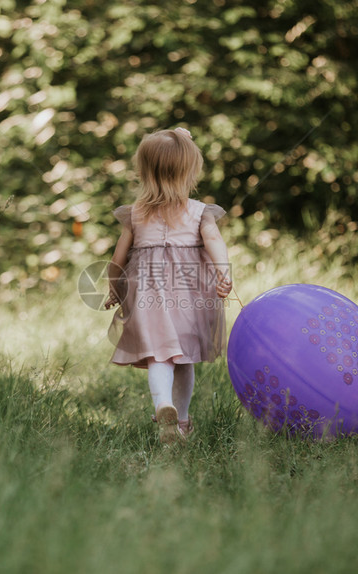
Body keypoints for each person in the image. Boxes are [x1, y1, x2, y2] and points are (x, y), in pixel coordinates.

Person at [104, 127, 232, 445]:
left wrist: (114, 289)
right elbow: (214, 241)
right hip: (190, 295)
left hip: (146, 296)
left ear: (145, 172)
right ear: (190, 171)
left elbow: (118, 259)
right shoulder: (200, 213)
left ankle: (163, 404)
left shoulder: (136, 215)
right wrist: (223, 273)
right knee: (184, 358)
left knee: (158, 357)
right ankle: (183, 420)